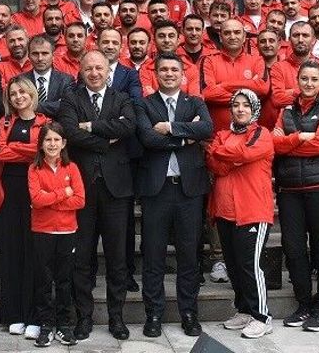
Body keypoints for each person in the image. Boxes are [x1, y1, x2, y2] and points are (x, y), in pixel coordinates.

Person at [58, 50, 137, 341]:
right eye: (89, 68)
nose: (94, 73)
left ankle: (117, 318)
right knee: (82, 258)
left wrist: (90, 126)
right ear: (80, 71)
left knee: (117, 258)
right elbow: (70, 132)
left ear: (108, 71)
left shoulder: (122, 98)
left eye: (99, 68)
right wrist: (105, 141)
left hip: (116, 190)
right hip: (81, 189)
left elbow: (128, 126)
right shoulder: (71, 98)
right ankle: (84, 317)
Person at [135, 53, 213, 338]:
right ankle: (153, 314)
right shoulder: (144, 104)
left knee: (189, 255)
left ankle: (189, 313)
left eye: (174, 70)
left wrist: (169, 128)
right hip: (156, 190)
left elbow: (206, 128)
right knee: (153, 255)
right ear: (156, 74)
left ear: (183, 75)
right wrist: (186, 137)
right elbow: (147, 138)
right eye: (164, 70)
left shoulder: (196, 103)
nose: (169, 74)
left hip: (188, 190)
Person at [269, 60, 319, 332]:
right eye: (304, 78)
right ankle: (303, 304)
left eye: (314, 79)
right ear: (297, 81)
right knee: (293, 248)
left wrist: (288, 142)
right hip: (289, 189)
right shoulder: (285, 110)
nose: (309, 83)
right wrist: (300, 137)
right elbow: (273, 144)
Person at [208, 89, 276, 340]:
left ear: (254, 109)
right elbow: (214, 163)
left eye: (246, 105)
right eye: (236, 105)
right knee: (234, 266)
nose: (240, 109)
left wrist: (228, 154)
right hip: (225, 210)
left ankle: (262, 316)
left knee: (249, 265)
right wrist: (233, 156)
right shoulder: (222, 135)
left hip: (252, 210)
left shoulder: (262, 134)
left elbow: (247, 154)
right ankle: (245, 310)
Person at [0, 77, 49, 338]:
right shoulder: (4, 122)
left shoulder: (45, 122)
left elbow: (45, 153)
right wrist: (29, 150)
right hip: (9, 192)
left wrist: (16, 147)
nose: (18, 97)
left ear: (32, 93)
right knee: (11, 252)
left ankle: (34, 316)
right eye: (13, 94)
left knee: (35, 254)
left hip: (36, 192)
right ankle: (13, 315)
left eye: (22, 92)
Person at [28, 122, 85, 348]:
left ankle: (64, 325)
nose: (52, 144)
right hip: (42, 231)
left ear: (64, 143)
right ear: (41, 144)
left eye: (56, 140)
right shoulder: (34, 169)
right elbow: (36, 200)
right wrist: (63, 193)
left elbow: (80, 200)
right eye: (48, 140)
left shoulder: (72, 168)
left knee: (64, 280)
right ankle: (45, 325)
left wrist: (50, 199)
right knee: (43, 280)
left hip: (67, 231)